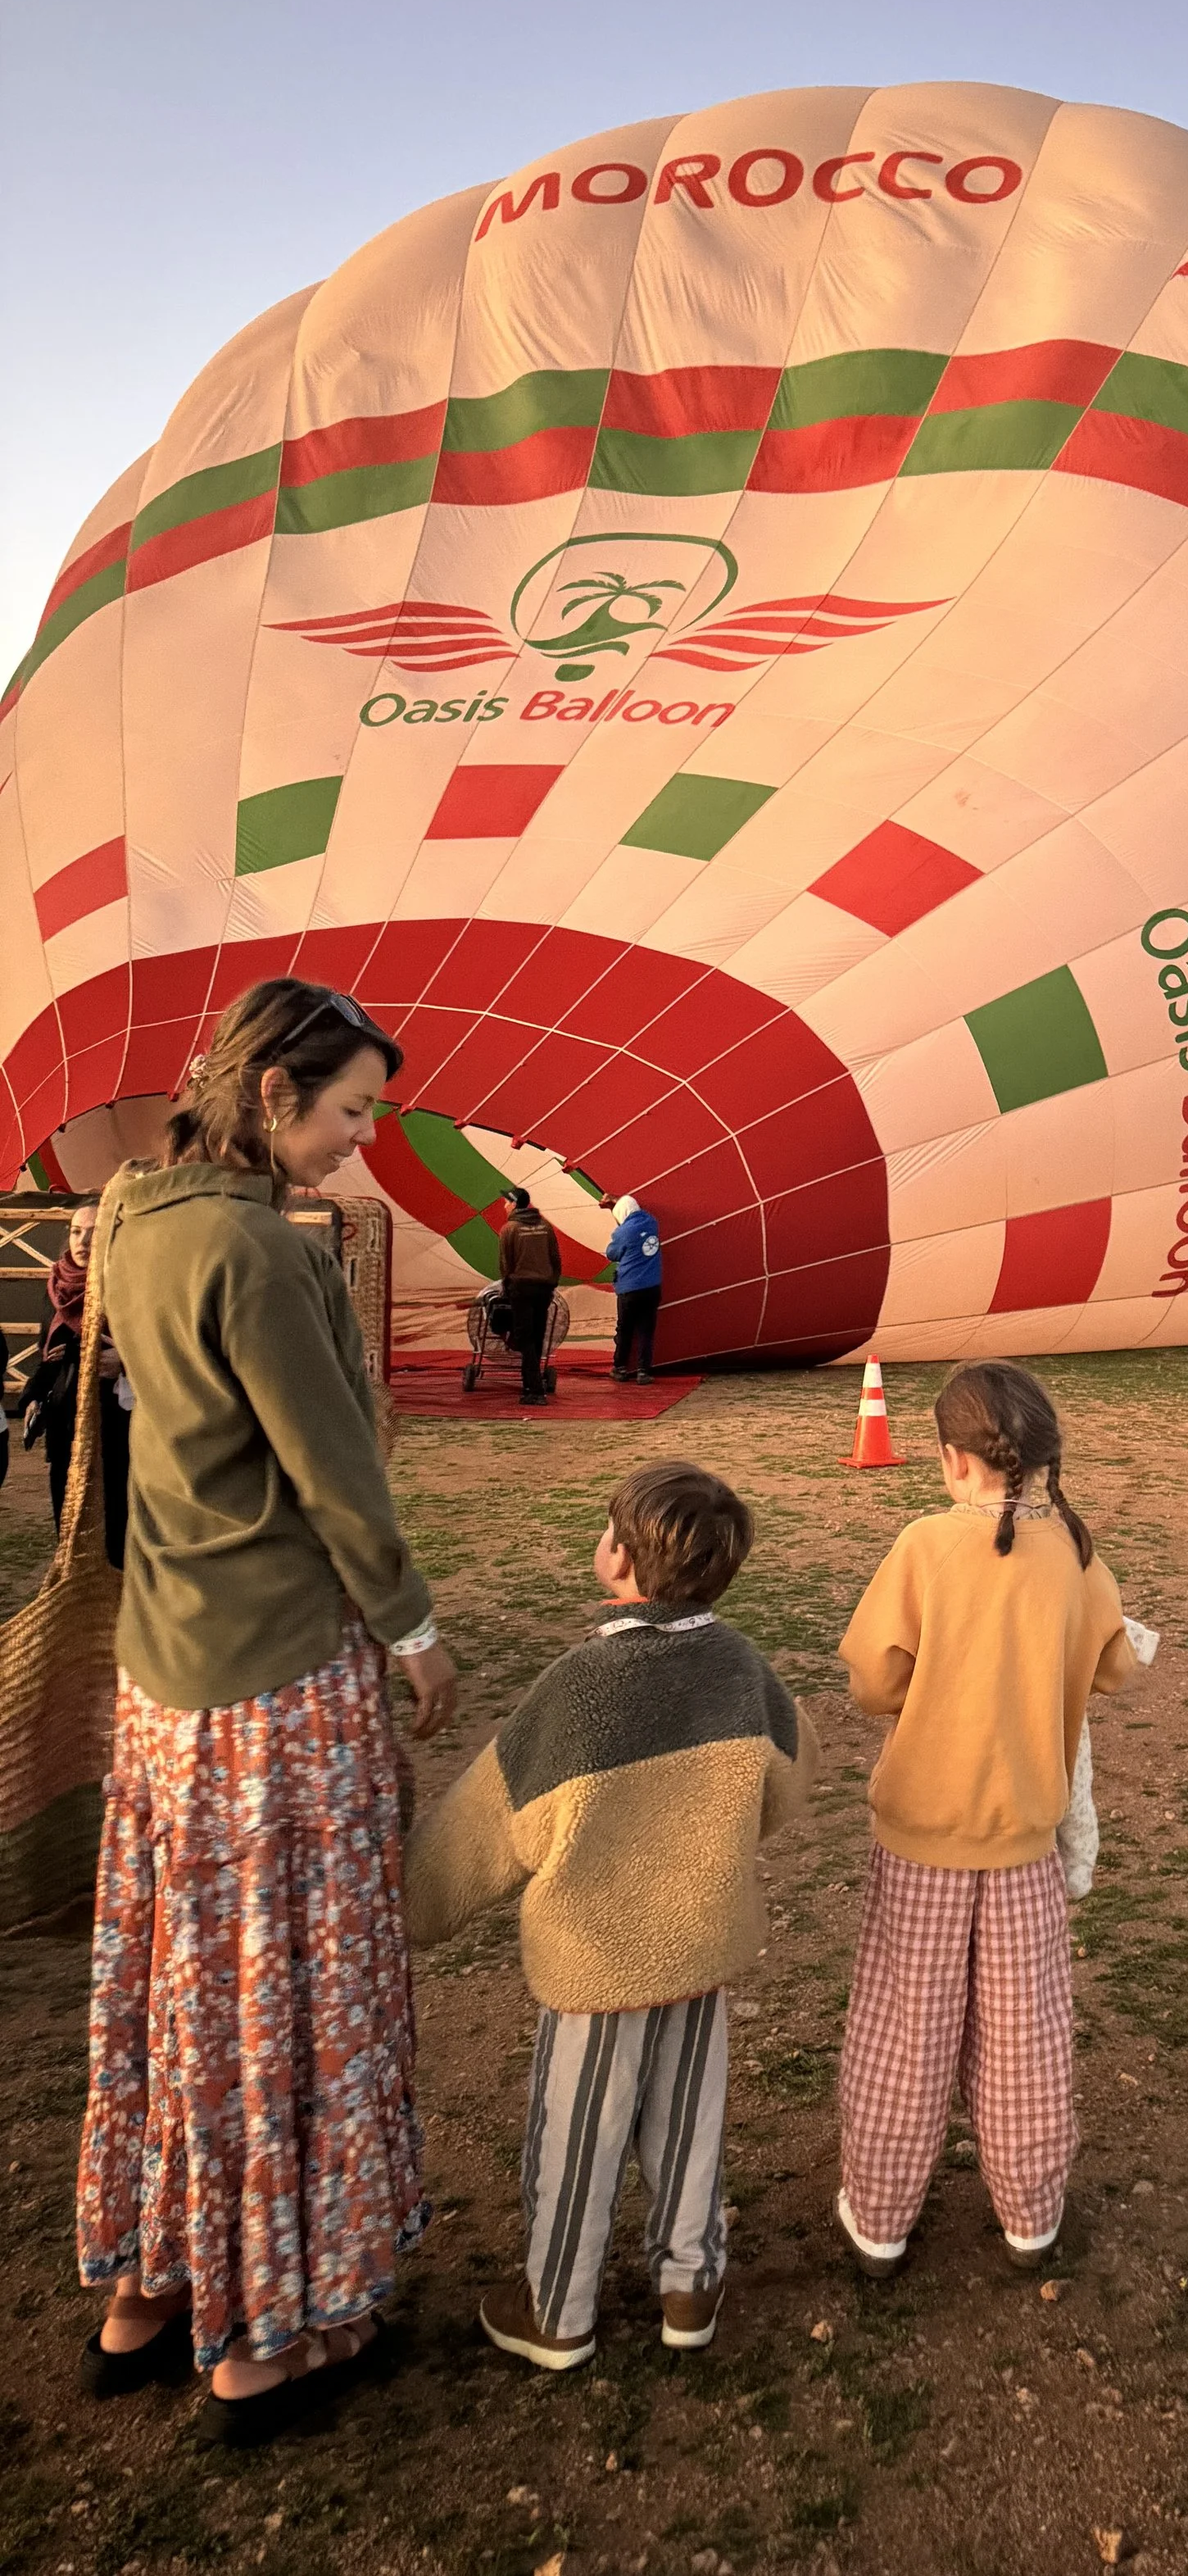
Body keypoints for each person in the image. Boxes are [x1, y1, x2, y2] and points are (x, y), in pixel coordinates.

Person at [75, 978, 457, 2444]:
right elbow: (333, 1473)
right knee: (290, 1989)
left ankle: (154, 2281)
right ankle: (271, 2327)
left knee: (181, 1978)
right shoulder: (262, 1250)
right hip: (281, 1673)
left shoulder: (130, 1212)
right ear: (273, 1093)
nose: (364, 1138)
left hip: (162, 1666)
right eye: (351, 1108)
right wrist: (414, 1630)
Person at [406, 1461, 817, 2368]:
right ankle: (689, 2283)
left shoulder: (581, 1687)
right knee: (688, 2123)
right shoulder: (744, 1668)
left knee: (579, 2131)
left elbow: (487, 1823)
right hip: (702, 1945)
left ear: (622, 1559)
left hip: (598, 1963)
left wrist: (410, 1904)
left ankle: (557, 2306)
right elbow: (789, 1778)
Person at [833, 1361, 1136, 2278]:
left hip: (920, 1840)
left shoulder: (925, 1546)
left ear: (955, 1459)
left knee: (905, 2030)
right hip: (1025, 1848)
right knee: (1025, 2035)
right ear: (1041, 1456)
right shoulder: (1077, 1554)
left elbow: (874, 1681)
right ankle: (1030, 2219)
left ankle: (880, 2221)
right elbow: (1114, 1666)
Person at [20, 1197, 133, 1568]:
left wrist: (126, 1363)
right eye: (75, 1231)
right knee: (68, 1527)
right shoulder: (58, 1287)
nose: (82, 1241)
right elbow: (47, 1353)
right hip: (64, 1423)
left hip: (116, 1428)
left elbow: (165, 1349)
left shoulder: (128, 1283)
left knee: (115, 1530)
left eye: (94, 1232)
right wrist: (35, 1397)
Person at [497, 1188, 561, 1405]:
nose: (504, 1206)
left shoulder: (510, 1229)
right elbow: (555, 1259)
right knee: (536, 1337)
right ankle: (530, 1386)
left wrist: (507, 1289)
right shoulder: (545, 1227)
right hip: (544, 1290)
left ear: (514, 1204)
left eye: (506, 1202)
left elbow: (506, 1265)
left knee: (525, 1339)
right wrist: (552, 1282)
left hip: (521, 1290)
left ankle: (535, 1390)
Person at [605, 1193, 661, 1383]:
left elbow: (611, 1254)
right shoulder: (652, 1222)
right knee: (646, 1330)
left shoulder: (623, 1232)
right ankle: (644, 1371)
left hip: (629, 1288)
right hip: (652, 1287)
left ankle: (620, 1367)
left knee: (625, 1329)